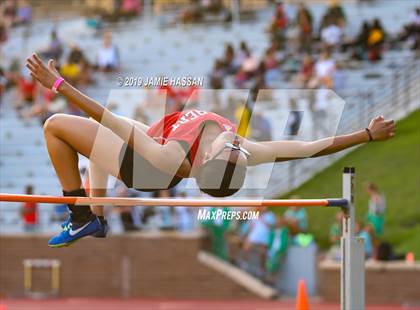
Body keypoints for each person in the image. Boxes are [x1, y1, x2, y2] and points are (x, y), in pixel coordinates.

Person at [25, 53, 396, 247]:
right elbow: (307, 147)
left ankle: (83, 217)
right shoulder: (242, 150)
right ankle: (95, 216)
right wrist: (365, 133)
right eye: (238, 149)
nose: (236, 143)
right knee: (102, 136)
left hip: (143, 163)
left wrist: (57, 83)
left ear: (207, 159)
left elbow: (107, 118)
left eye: (230, 149)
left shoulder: (171, 157)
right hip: (153, 135)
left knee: (55, 126)